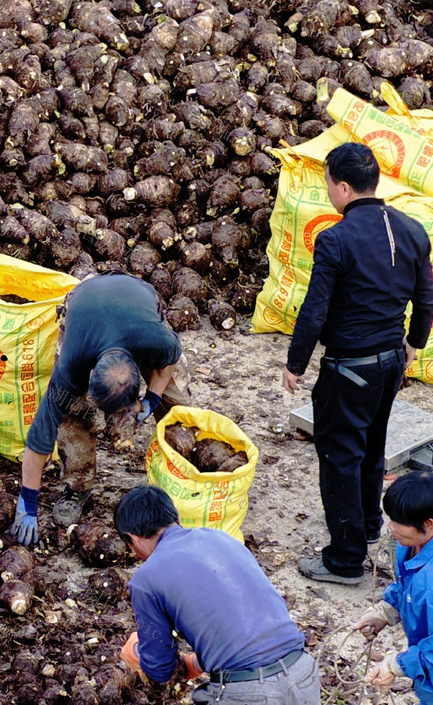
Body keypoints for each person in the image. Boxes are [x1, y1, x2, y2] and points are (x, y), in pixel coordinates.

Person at [282, 143, 433, 585]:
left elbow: (315, 310)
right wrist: (413, 343)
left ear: (344, 188)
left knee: (340, 457)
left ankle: (345, 560)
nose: (330, 192)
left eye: (330, 184)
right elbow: (426, 298)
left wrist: (295, 363)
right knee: (371, 443)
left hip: (349, 367)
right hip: (389, 363)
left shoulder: (336, 239)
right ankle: (368, 523)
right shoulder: (411, 230)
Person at [11, 273, 187, 545]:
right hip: (84, 304)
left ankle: (184, 475)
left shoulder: (157, 341)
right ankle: (78, 484)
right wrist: (28, 501)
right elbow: (39, 438)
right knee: (72, 414)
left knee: (178, 405)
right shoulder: (71, 368)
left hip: (137, 298)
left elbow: (169, 364)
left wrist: (153, 397)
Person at [115, 486, 320, 704]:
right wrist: (195, 664)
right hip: (304, 673)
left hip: (248, 693)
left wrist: (138, 654)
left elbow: (160, 669)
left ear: (133, 539)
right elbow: (241, 621)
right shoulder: (223, 538)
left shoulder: (146, 579)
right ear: (176, 518)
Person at [353, 471, 433, 702]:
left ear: (428, 524)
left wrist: (398, 665)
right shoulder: (408, 545)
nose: (391, 527)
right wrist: (387, 611)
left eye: (399, 522)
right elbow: (406, 585)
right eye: (391, 518)